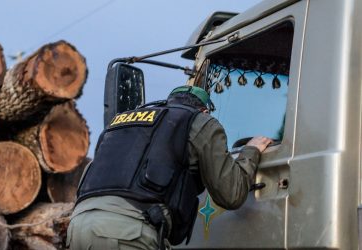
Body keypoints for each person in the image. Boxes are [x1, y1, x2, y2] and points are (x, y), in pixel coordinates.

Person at [66, 85, 272, 250]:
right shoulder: (200, 121)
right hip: (126, 232)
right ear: (205, 110)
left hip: (78, 227)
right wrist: (250, 151)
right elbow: (231, 194)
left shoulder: (120, 123)